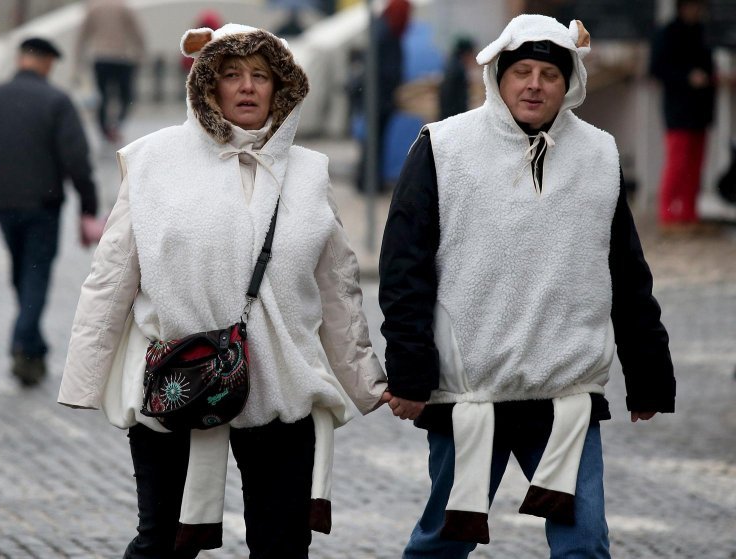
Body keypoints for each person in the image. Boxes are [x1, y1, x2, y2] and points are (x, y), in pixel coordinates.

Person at [58, 23, 388, 559]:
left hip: (282, 391)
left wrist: (368, 384)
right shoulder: (153, 162)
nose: (248, 86)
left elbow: (339, 292)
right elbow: (112, 275)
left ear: (282, 88)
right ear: (207, 86)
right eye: (232, 74)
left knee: (281, 545)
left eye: (261, 75)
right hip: (179, 382)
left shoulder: (309, 173)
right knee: (161, 542)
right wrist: (83, 378)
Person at [379, 14, 676, 558]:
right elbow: (404, 269)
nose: (534, 84)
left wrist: (649, 371)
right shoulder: (444, 148)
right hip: (471, 390)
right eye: (522, 71)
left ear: (570, 83)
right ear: (498, 76)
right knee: (441, 545)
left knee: (584, 547)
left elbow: (626, 273)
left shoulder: (600, 156)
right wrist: (409, 369)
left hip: (564, 393)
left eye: (549, 73)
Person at [0, 37, 99, 387]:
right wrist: (88, 206)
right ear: (48, 63)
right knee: (34, 273)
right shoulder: (57, 101)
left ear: (20, 59)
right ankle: (24, 344)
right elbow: (77, 161)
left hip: (3, 203)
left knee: (22, 270)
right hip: (43, 204)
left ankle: (33, 348)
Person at [650, 0, 715, 232]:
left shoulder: (702, 32)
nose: (695, 10)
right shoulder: (668, 32)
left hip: (701, 110)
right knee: (677, 163)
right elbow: (656, 69)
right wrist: (687, 77)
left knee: (696, 165)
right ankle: (667, 215)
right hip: (678, 110)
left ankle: (688, 213)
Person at [355, 0, 411, 193]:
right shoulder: (387, 33)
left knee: (373, 141)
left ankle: (369, 181)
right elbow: (384, 70)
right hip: (380, 99)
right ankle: (369, 183)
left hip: (378, 98)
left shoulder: (382, 28)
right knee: (374, 142)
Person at [75, 0, 146, 143]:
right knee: (126, 96)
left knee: (102, 96)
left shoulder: (93, 8)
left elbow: (82, 34)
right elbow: (137, 32)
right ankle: (116, 125)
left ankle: (105, 129)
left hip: (101, 57)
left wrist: (78, 59)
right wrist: (141, 53)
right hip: (123, 57)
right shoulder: (124, 8)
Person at [438, 36, 475, 120]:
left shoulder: (452, 65)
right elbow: (457, 101)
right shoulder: (458, 70)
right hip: (453, 119)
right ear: (466, 53)